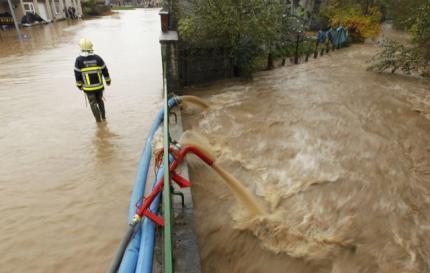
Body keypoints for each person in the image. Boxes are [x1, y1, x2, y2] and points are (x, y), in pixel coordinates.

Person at [74, 38, 111, 123]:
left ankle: (98, 122)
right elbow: (105, 70)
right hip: (99, 87)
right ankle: (104, 118)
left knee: (93, 103)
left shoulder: (79, 60)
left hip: (88, 89)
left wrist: (79, 85)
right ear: (91, 47)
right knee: (100, 101)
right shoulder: (98, 58)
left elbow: (77, 74)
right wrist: (108, 81)